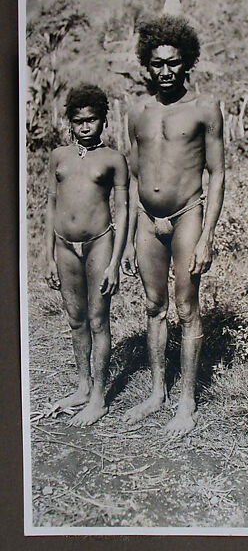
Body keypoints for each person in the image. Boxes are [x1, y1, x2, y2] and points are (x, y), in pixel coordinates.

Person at [121, 15, 225, 436]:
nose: (165, 71)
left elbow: (217, 173)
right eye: (158, 63)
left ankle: (187, 401)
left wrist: (207, 235)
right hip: (146, 220)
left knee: (186, 308)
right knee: (153, 307)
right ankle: (157, 391)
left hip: (186, 215)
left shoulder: (205, 109)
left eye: (174, 63)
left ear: (188, 63)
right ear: (148, 63)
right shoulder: (136, 111)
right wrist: (129, 237)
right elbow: (131, 176)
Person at [45, 84, 128, 426]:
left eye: (92, 120)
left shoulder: (112, 159)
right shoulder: (58, 157)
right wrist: (47, 257)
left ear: (103, 121)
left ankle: (99, 398)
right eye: (78, 121)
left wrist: (115, 262)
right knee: (75, 319)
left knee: (97, 320)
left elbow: (122, 210)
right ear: (70, 122)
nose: (85, 126)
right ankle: (82, 385)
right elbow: (49, 206)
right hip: (64, 245)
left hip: (99, 243)